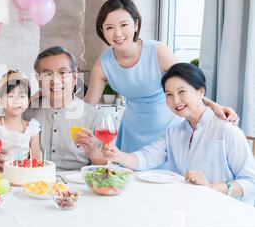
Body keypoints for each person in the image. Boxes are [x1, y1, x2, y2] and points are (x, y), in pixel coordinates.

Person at [84, 0, 238, 153]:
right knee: (131, 172)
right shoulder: (103, 63)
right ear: (102, 30)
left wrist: (214, 106)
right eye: (109, 27)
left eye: (124, 25)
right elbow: (87, 109)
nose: (118, 33)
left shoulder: (158, 52)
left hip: (168, 127)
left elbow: (187, 87)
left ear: (136, 25)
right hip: (133, 130)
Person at [103, 63, 255, 205]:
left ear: (200, 92)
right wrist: (116, 154)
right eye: (169, 94)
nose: (175, 100)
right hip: (187, 209)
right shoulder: (174, 131)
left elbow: (250, 182)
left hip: (224, 213)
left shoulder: (227, 130)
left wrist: (211, 187)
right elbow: (146, 158)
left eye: (182, 91)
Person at [0, 46, 106, 171]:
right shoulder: (26, 112)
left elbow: (107, 168)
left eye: (62, 73)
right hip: (34, 183)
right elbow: (2, 128)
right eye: (47, 74)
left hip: (77, 185)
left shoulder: (95, 117)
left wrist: (94, 153)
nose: (55, 81)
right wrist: (0, 158)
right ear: (39, 80)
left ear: (74, 78)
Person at [0, 70, 42, 167]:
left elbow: (37, 161)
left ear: (28, 101)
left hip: (21, 177)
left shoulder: (32, 128)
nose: (16, 101)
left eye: (22, 96)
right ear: (0, 100)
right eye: (11, 96)